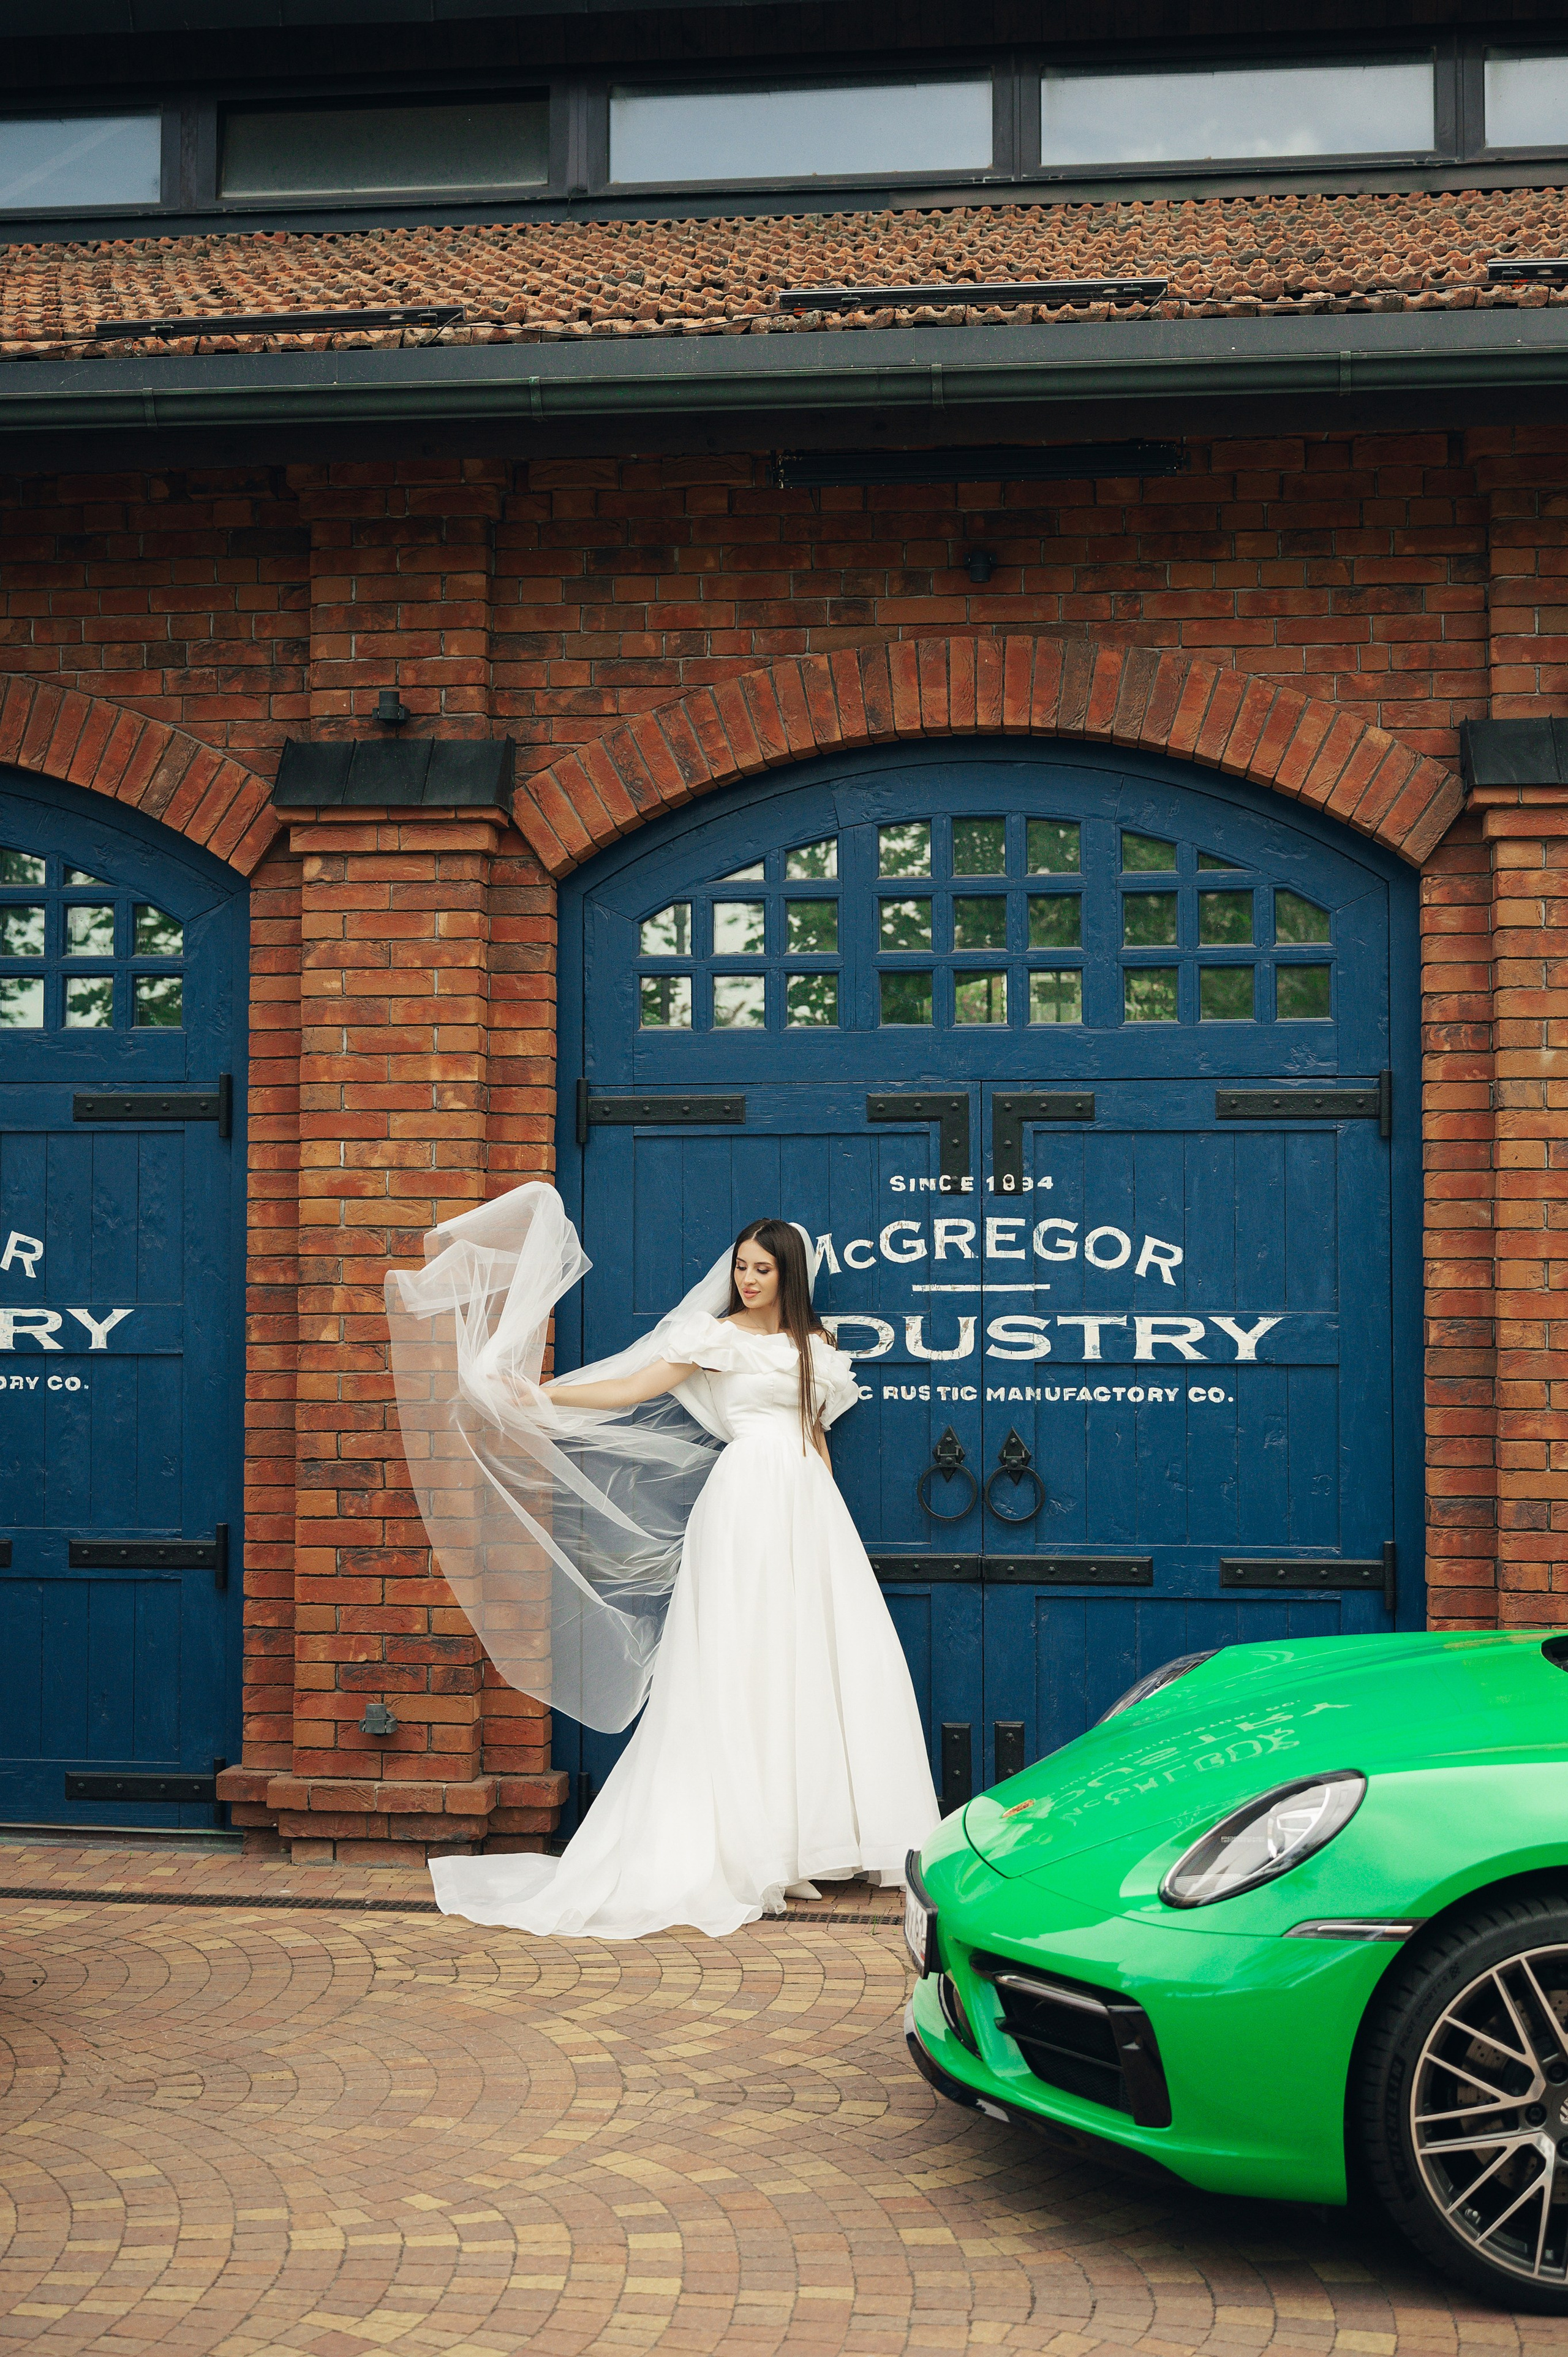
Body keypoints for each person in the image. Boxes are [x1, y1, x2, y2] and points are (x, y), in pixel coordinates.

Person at [387, 1188, 939, 1941]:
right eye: (741, 1266)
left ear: (790, 1276)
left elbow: (814, 1435)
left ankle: (795, 1843)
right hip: (743, 1503)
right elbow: (629, 1387)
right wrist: (543, 1396)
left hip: (808, 1510)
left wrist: (828, 1513)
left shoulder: (816, 1344)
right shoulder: (710, 1337)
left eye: (762, 1270)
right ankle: (747, 1848)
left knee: (810, 1660)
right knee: (739, 1661)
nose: (747, 1279)